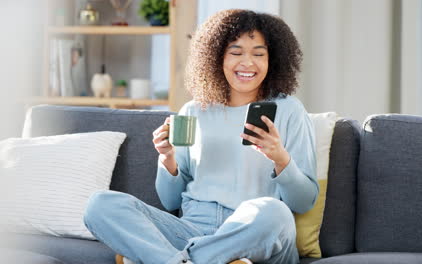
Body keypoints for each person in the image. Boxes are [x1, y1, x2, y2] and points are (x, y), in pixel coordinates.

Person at [84, 9, 319, 264]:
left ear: (272, 60)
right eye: (236, 52)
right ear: (217, 56)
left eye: (258, 54)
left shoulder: (289, 111)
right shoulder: (194, 111)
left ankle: (163, 259)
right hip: (190, 229)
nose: (247, 63)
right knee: (100, 205)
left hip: (250, 234)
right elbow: (170, 200)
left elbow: (303, 202)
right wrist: (167, 159)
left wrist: (280, 158)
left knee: (275, 213)